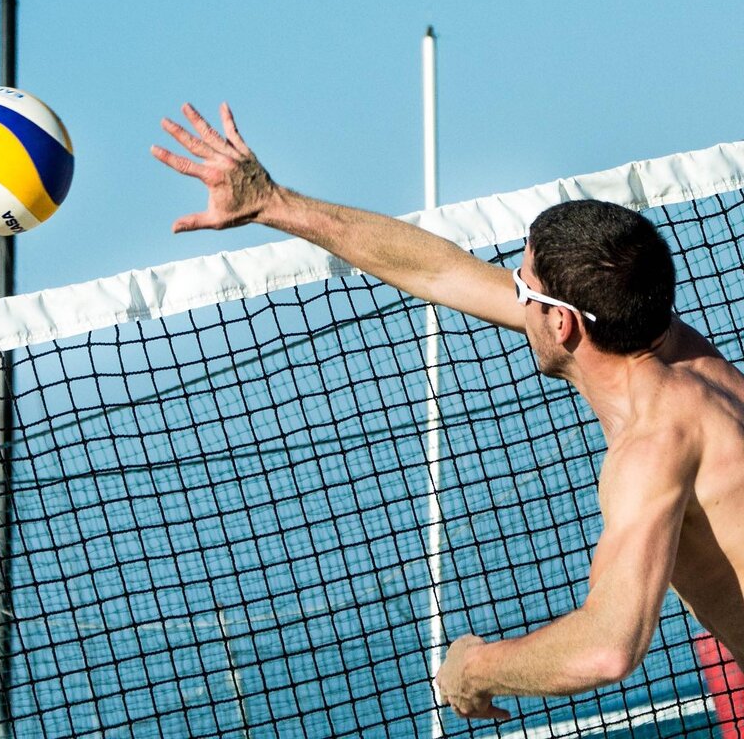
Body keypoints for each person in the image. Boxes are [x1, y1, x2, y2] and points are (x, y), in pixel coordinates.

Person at [151, 102, 744, 722]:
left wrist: (475, 669)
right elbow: (440, 271)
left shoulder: (654, 446)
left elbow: (606, 649)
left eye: (522, 283)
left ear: (562, 323)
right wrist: (273, 202)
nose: (512, 291)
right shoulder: (664, 344)